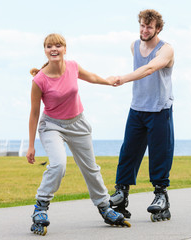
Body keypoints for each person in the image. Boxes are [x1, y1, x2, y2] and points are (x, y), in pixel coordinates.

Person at [26, 33, 130, 235]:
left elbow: (90, 77)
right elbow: (34, 113)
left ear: (65, 49)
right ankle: (40, 208)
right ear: (45, 51)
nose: (53, 49)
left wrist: (108, 82)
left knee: (91, 168)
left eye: (58, 45)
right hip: (51, 126)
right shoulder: (39, 80)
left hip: (77, 123)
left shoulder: (73, 66)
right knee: (58, 164)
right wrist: (31, 145)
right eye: (49, 46)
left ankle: (105, 207)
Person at [109, 9, 174, 222]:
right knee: (128, 152)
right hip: (137, 108)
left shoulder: (166, 50)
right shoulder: (134, 46)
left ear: (158, 29)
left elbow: (149, 68)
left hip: (159, 109)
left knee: (159, 153)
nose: (145, 30)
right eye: (142, 26)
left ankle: (160, 195)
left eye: (149, 27)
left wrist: (123, 78)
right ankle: (121, 194)